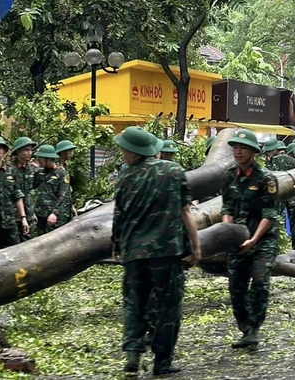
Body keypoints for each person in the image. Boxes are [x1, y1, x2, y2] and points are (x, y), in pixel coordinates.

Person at [111, 127, 200, 375]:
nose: (122, 153)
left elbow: (119, 215)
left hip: (133, 253)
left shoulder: (125, 177)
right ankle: (162, 361)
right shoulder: (173, 171)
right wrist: (196, 247)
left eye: (123, 149)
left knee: (134, 303)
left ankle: (132, 355)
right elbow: (185, 212)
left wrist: (116, 244)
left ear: (133, 151)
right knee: (168, 306)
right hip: (166, 252)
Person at [221, 129, 279, 348]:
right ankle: (245, 329)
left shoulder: (266, 178)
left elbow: (269, 214)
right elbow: (227, 207)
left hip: (263, 240)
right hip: (237, 240)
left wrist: (253, 240)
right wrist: (228, 232)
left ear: (253, 152)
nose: (238, 151)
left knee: (260, 281)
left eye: (242, 148)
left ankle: (254, 328)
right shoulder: (228, 176)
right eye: (235, 147)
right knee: (236, 286)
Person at [32, 145, 69, 235]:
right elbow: (32, 186)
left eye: (41, 159)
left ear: (48, 159)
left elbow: (63, 196)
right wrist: (35, 170)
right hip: (40, 214)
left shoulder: (62, 173)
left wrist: (55, 213)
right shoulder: (40, 172)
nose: (39, 161)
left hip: (53, 216)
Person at [10, 137, 38, 241]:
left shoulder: (30, 169)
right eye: (26, 150)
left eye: (31, 150)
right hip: (13, 216)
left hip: (28, 215)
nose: (29, 153)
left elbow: (30, 191)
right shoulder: (10, 169)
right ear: (18, 151)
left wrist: (31, 212)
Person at [55, 140, 78, 226]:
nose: (72, 153)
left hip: (65, 210)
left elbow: (67, 190)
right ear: (63, 152)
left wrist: (71, 206)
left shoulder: (65, 167)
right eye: (70, 151)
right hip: (56, 212)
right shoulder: (54, 168)